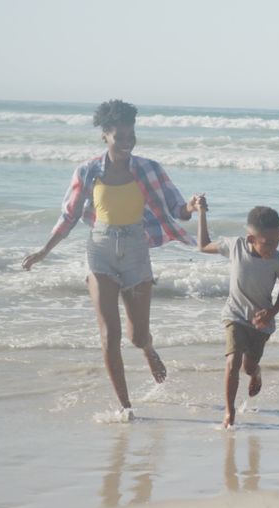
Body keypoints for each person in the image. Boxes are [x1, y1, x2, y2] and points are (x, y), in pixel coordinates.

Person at [22, 99, 201, 418]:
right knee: (110, 333)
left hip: (136, 249)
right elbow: (69, 216)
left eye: (131, 134)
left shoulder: (149, 168)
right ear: (105, 135)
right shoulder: (88, 171)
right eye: (120, 135)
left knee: (136, 335)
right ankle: (126, 407)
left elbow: (177, 210)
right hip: (100, 250)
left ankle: (147, 348)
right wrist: (43, 251)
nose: (127, 141)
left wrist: (193, 206)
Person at [197, 202, 279, 429]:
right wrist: (201, 213)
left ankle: (256, 373)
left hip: (261, 322)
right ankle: (229, 414)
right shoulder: (235, 246)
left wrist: (272, 312)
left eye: (278, 241)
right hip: (235, 314)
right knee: (232, 361)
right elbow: (202, 245)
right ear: (251, 239)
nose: (274, 247)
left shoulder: (277, 260)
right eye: (268, 243)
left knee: (247, 367)